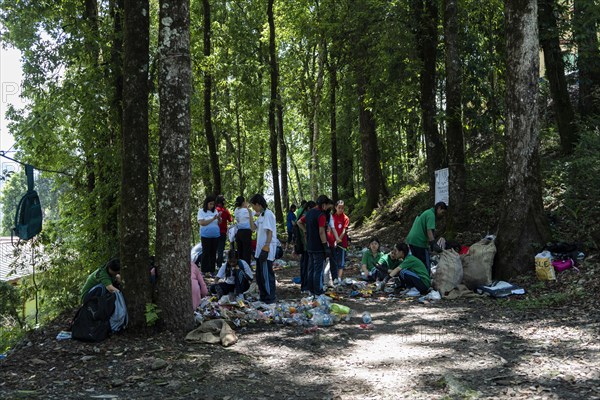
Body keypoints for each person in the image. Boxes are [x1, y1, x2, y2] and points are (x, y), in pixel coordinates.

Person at [297, 195, 334, 295]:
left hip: (309, 245)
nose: (327, 208)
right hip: (318, 246)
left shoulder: (309, 213)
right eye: (327, 205)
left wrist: (306, 231)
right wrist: (325, 246)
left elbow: (299, 222)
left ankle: (311, 290)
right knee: (318, 270)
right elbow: (322, 232)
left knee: (311, 268)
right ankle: (318, 291)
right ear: (323, 204)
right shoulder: (321, 215)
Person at [248, 194, 278, 304]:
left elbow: (270, 232)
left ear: (258, 204)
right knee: (260, 275)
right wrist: (250, 216)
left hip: (266, 249)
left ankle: (270, 297)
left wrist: (266, 246)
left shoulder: (268, 214)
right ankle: (263, 295)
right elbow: (253, 227)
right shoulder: (261, 215)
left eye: (253, 206)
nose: (253, 208)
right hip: (259, 249)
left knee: (266, 274)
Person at [406, 201, 447, 273]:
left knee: (416, 263)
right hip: (419, 242)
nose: (442, 215)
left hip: (411, 240)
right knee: (424, 266)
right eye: (442, 212)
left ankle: (417, 279)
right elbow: (429, 230)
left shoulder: (427, 212)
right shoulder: (431, 215)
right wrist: (433, 243)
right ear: (439, 208)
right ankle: (425, 281)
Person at [197, 195, 221, 276]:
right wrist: (213, 219)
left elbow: (219, 222)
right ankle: (204, 270)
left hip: (215, 235)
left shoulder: (215, 211)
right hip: (205, 236)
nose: (212, 206)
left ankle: (212, 270)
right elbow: (202, 223)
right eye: (210, 204)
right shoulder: (201, 211)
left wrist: (219, 218)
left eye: (213, 204)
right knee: (205, 252)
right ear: (206, 203)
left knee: (213, 253)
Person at [295, 200, 315, 293]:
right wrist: (306, 231)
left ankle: (304, 286)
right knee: (307, 266)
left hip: (303, 245)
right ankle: (306, 286)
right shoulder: (307, 215)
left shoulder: (300, 211)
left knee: (304, 265)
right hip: (306, 245)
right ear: (309, 208)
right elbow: (300, 223)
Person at [327, 200, 350, 284]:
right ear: (335, 207)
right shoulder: (332, 217)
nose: (341, 209)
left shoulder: (345, 218)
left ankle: (339, 278)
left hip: (342, 243)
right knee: (333, 261)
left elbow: (344, 231)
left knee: (341, 262)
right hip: (332, 243)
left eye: (342, 208)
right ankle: (334, 278)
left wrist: (338, 240)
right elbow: (330, 230)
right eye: (339, 207)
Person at [233, 196, 253, 265]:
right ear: (243, 202)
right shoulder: (245, 211)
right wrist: (247, 207)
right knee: (247, 251)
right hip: (246, 232)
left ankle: (240, 265)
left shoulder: (236, 210)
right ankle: (246, 266)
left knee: (240, 250)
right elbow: (257, 213)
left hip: (239, 232)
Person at [215, 195, 233, 270]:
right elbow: (230, 220)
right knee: (220, 249)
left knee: (213, 249)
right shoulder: (225, 211)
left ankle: (212, 265)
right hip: (222, 232)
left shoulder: (214, 210)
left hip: (214, 232)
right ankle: (219, 265)